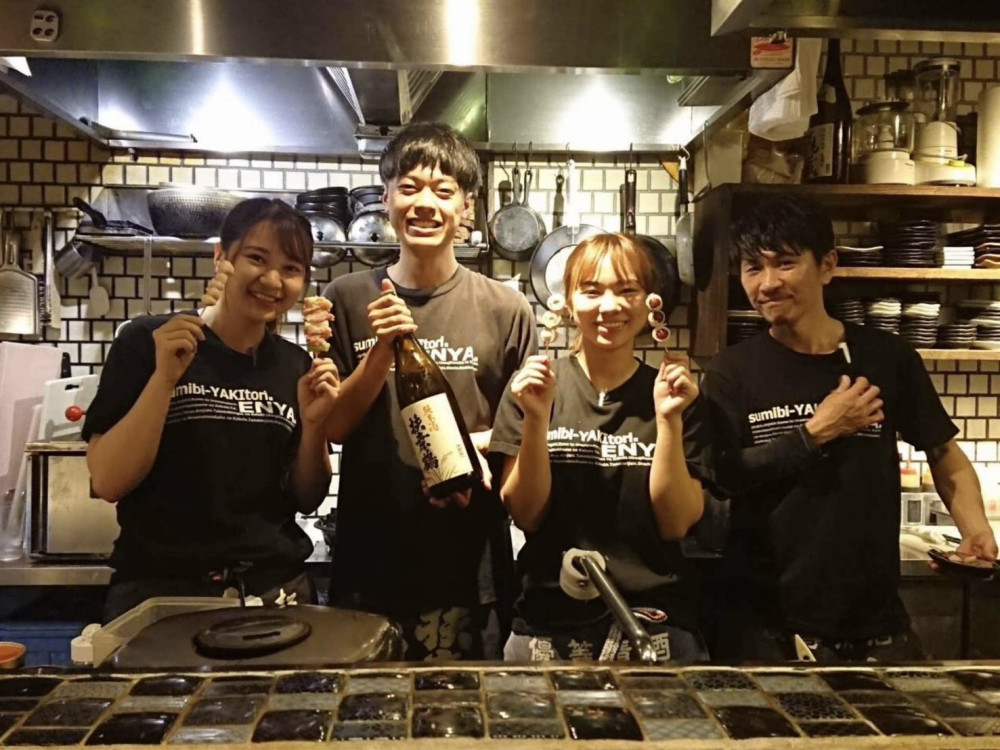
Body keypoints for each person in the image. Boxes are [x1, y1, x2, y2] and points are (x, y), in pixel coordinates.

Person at [702, 194, 998, 662]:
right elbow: (720, 477)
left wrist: (975, 527)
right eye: (753, 268)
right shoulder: (732, 370)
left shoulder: (886, 358)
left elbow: (944, 453)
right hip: (768, 629)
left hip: (877, 628)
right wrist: (814, 433)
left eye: (785, 263)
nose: (768, 283)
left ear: (827, 265)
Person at [322, 123, 536, 660]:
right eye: (409, 187)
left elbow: (525, 430)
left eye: (443, 191)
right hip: (371, 562)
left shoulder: (505, 309)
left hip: (471, 566)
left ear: (466, 207)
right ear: (386, 197)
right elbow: (334, 427)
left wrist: (474, 445)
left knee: (465, 710)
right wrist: (382, 349)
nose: (425, 204)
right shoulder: (346, 297)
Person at [84, 198, 340, 622]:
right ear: (222, 256)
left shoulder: (296, 365)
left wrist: (314, 427)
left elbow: (307, 497)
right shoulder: (149, 342)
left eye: (292, 268)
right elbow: (109, 481)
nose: (272, 280)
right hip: (161, 596)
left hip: (273, 593)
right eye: (257, 258)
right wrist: (164, 379)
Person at [491, 233, 710, 662]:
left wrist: (668, 420)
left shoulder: (676, 396)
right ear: (569, 303)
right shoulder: (534, 389)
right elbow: (525, 513)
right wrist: (535, 418)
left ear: (650, 303)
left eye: (627, 290)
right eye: (591, 291)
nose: (610, 307)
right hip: (548, 623)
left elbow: (676, 523)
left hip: (655, 624)